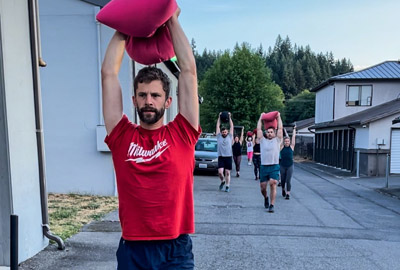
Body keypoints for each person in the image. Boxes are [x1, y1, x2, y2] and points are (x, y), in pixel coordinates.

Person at [101, 7, 200, 269]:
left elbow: (188, 72)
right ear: (133, 100)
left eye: (155, 96)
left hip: (175, 249)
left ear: (168, 101)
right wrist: (125, 24)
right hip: (133, 247)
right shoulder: (121, 135)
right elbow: (109, 74)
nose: (148, 101)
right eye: (142, 95)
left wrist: (172, 20)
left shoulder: (183, 133)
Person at [257, 112, 283, 213]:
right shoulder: (262, 140)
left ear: (274, 133)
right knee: (263, 188)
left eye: (271, 132)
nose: (270, 133)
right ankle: (266, 197)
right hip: (264, 166)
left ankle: (272, 205)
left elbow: (280, 129)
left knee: (273, 183)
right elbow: (259, 129)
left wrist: (279, 117)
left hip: (274, 166)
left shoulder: (277, 140)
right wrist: (261, 117)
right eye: (268, 132)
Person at [216, 112, 234, 192]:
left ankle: (227, 186)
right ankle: (222, 181)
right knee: (220, 172)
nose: (224, 133)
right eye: (223, 132)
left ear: (227, 132)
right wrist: (219, 117)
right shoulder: (219, 136)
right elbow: (217, 126)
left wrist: (229, 117)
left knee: (227, 172)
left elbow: (232, 126)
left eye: (225, 132)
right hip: (221, 157)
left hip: (228, 157)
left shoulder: (230, 136)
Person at [280, 126, 296, 200]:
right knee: (283, 180)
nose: (287, 142)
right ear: (284, 142)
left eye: (288, 141)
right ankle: (283, 189)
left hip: (290, 165)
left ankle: (288, 193)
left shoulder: (291, 147)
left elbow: (293, 137)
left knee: (288, 180)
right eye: (285, 141)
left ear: (289, 142)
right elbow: (280, 138)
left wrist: (294, 130)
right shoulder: (281, 147)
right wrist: (280, 129)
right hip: (282, 165)